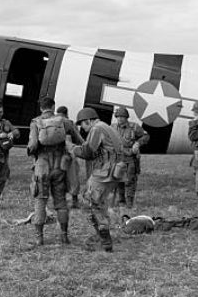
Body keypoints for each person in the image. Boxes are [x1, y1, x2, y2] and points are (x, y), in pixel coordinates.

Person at [27, 97, 83, 245]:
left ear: (41, 108)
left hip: (42, 166)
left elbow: (32, 145)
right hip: (60, 166)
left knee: (40, 200)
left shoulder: (35, 122)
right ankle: (64, 236)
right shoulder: (64, 122)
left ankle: (39, 238)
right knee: (61, 202)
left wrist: (33, 153)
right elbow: (79, 141)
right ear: (53, 107)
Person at [71, 107, 121, 252]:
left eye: (83, 125)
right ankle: (102, 232)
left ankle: (104, 237)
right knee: (100, 201)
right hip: (115, 171)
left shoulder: (97, 128)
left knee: (90, 201)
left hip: (105, 171)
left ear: (88, 121)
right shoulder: (107, 127)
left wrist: (73, 148)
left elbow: (88, 152)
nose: (84, 129)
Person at [111, 107, 150, 208]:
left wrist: (137, 143)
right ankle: (121, 201)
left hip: (130, 159)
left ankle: (129, 203)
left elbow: (146, 136)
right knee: (119, 180)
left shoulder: (134, 127)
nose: (120, 119)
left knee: (129, 181)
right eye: (118, 117)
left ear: (126, 118)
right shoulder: (112, 127)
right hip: (117, 159)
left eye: (122, 117)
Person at [56, 105, 85, 209]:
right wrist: (85, 146)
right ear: (66, 113)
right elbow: (78, 138)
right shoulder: (69, 122)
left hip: (54, 153)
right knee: (72, 176)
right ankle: (74, 200)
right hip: (68, 152)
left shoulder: (51, 121)